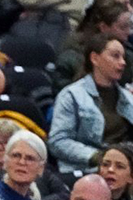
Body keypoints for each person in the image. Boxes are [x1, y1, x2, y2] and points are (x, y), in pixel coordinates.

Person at [49, 35, 133, 175]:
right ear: (95, 58)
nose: (123, 62)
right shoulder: (71, 95)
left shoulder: (128, 98)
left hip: (125, 171)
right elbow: (58, 141)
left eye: (123, 57)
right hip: (87, 169)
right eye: (115, 56)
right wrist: (97, 157)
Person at [53, 0, 133, 94]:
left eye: (130, 26)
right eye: (123, 27)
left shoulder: (128, 55)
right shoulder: (70, 58)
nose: (128, 32)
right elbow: (64, 97)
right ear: (103, 27)